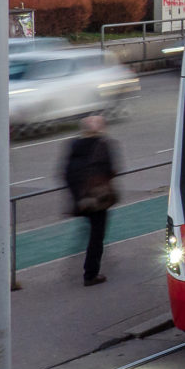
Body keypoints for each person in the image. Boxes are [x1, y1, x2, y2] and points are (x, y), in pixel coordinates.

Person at [63, 113, 119, 287]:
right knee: (97, 236)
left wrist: (77, 195)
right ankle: (91, 274)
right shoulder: (104, 145)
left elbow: (66, 173)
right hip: (98, 199)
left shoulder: (73, 145)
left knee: (89, 231)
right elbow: (111, 170)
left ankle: (85, 262)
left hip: (81, 198)